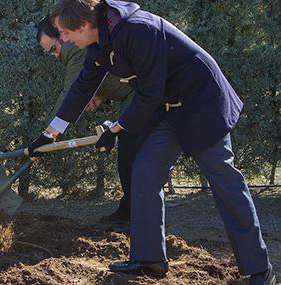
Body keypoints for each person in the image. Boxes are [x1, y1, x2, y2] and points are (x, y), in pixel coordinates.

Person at [28, 0, 275, 283]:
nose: (64, 39)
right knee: (144, 172)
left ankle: (260, 269)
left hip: (200, 103)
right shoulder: (98, 46)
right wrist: (50, 134)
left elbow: (150, 92)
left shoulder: (138, 30)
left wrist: (116, 129)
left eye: (64, 32)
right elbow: (82, 87)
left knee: (224, 181)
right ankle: (149, 260)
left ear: (83, 24)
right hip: (167, 107)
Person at [36, 15, 139, 222]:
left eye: (54, 49)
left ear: (64, 35)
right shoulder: (81, 49)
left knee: (131, 155)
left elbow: (71, 93)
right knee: (129, 156)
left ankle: (132, 213)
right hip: (133, 95)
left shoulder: (75, 50)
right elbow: (98, 79)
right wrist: (100, 94)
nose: (55, 56)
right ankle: (130, 210)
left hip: (140, 96)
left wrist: (46, 136)